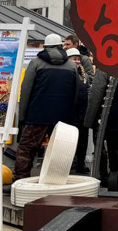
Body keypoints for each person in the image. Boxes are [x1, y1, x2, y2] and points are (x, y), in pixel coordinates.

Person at [12, 34, 79, 182]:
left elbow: (26, 90)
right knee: (59, 152)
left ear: (45, 47)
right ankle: (56, 182)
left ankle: (19, 181)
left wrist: (23, 116)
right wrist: (70, 116)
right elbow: (76, 93)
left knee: (26, 149)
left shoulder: (35, 63)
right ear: (60, 46)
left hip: (37, 115)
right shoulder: (71, 66)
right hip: (63, 117)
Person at [84, 72, 118, 182]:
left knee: (100, 146)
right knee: (116, 146)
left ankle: (102, 176)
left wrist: (89, 120)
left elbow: (96, 96)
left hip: (103, 114)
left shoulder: (103, 71)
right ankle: (117, 176)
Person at [66, 47, 91, 174]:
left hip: (82, 112)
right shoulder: (66, 74)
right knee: (69, 141)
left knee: (83, 140)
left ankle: (80, 164)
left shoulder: (84, 74)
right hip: (70, 113)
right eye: (73, 59)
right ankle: (68, 164)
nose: (76, 61)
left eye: (78, 59)